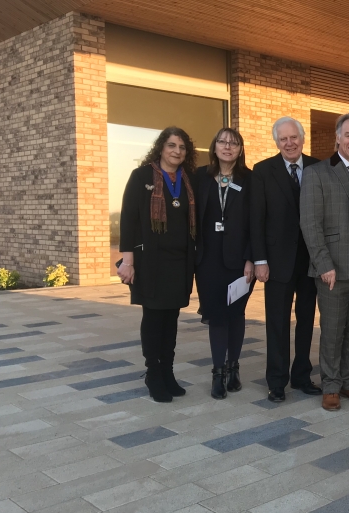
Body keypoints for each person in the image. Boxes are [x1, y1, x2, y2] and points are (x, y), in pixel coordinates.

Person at [117, 127, 197, 403]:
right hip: (150, 261)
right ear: (161, 147)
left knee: (171, 318)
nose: (177, 151)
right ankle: (153, 373)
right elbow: (127, 219)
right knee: (154, 318)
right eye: (172, 145)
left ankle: (168, 372)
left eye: (182, 147)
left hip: (179, 262)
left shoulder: (188, 180)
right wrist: (127, 260)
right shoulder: (141, 176)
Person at [300, 113, 349, 411]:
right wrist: (322, 263)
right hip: (332, 267)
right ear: (337, 138)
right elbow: (310, 223)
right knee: (332, 328)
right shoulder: (317, 173)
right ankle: (330, 384)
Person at [250, 117, 322, 402]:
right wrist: (259, 260)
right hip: (277, 261)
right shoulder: (262, 171)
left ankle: (302, 375)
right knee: (277, 322)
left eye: (294, 138)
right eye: (283, 139)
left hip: (311, 260)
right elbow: (256, 220)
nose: (289, 143)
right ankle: (277, 380)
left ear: (303, 139)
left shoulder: (319, 167)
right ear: (276, 142)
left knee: (306, 321)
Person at [194, 128, 255, 400]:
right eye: (222, 141)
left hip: (239, 262)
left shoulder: (251, 179)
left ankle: (234, 368)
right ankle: (218, 372)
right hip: (207, 261)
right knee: (217, 316)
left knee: (236, 314)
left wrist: (252, 258)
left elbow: (257, 222)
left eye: (234, 143)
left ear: (240, 149)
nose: (227, 146)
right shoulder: (199, 177)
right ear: (214, 146)